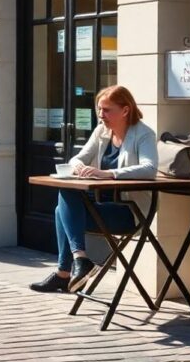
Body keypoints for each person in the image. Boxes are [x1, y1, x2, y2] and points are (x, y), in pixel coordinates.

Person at [30, 85, 158, 295]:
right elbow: (77, 157)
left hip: (127, 210)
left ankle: (66, 271)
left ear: (125, 110)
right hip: (100, 202)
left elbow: (150, 168)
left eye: (107, 110)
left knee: (60, 212)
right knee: (66, 195)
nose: (101, 115)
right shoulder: (102, 131)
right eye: (99, 109)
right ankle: (78, 261)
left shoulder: (143, 134)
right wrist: (78, 166)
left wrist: (108, 173)